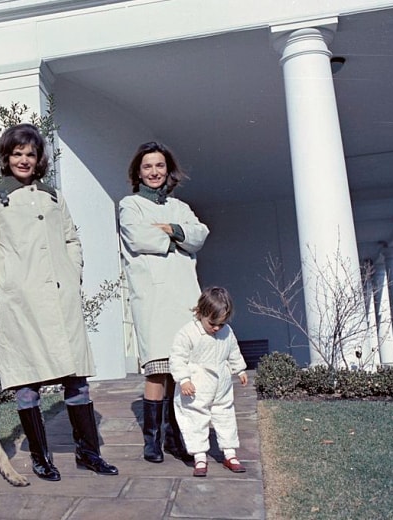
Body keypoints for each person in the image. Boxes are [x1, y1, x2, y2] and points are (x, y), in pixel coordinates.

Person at [0, 123, 118, 481]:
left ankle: (89, 453)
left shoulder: (54, 197)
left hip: (61, 299)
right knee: (27, 380)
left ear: (39, 161)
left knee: (76, 379)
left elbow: (72, 239)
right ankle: (41, 457)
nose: (23, 160)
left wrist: (73, 271)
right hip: (22, 304)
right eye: (17, 154)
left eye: (30, 154)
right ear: (6, 158)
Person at [118, 141, 209, 463]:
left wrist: (172, 229)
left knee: (182, 370)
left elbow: (199, 236)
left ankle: (177, 435)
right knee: (157, 370)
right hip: (153, 297)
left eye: (159, 166)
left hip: (185, 295)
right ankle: (152, 441)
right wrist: (178, 240)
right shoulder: (130, 205)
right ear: (138, 172)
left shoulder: (180, 207)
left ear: (167, 170)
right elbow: (138, 237)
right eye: (147, 166)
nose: (154, 172)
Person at [169, 286, 248, 477]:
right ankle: (199, 456)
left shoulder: (226, 332)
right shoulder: (187, 333)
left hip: (221, 384)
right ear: (200, 312)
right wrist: (184, 379)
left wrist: (240, 369)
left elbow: (233, 350)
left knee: (225, 416)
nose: (216, 328)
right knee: (195, 419)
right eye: (212, 323)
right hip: (196, 385)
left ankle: (230, 453)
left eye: (221, 324)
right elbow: (177, 357)